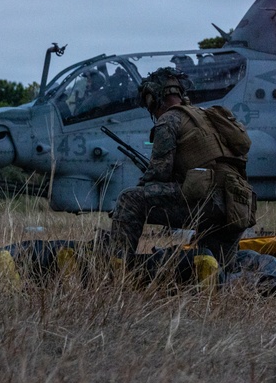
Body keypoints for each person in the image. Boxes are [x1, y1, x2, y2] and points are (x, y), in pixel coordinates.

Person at [107, 67, 255, 270]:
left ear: (152, 99)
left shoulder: (169, 120)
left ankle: (116, 269)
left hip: (207, 202)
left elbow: (159, 172)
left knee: (129, 200)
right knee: (215, 272)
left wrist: (142, 187)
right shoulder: (206, 116)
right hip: (235, 206)